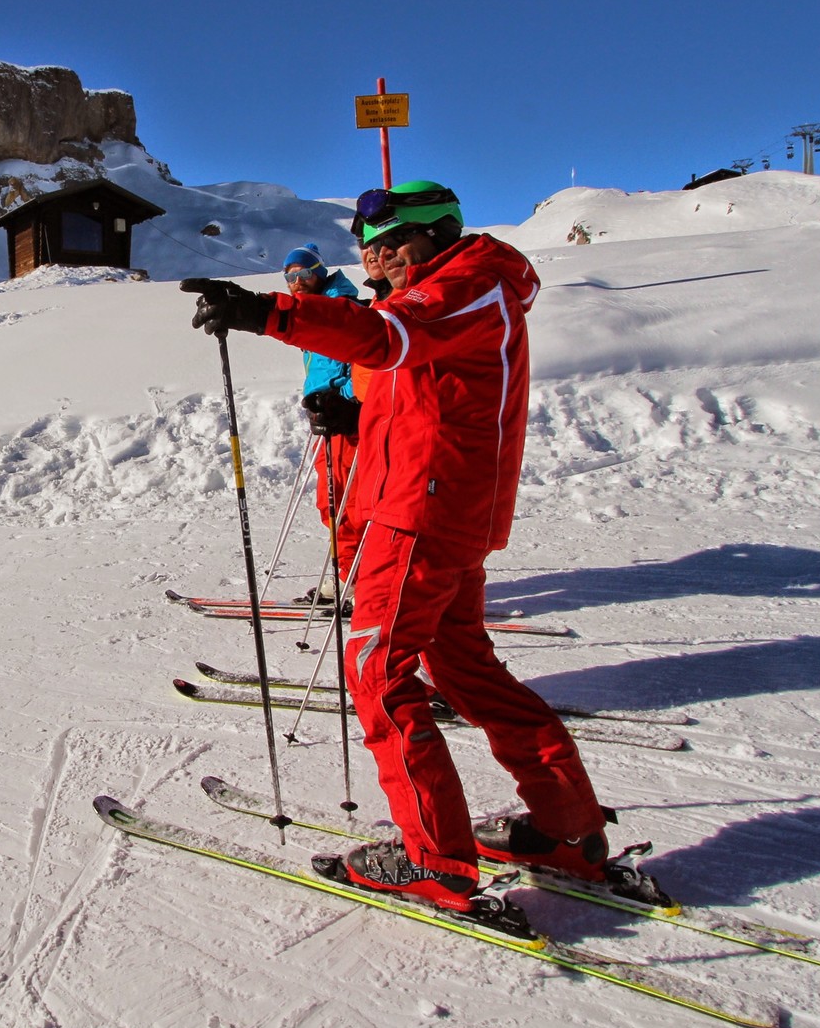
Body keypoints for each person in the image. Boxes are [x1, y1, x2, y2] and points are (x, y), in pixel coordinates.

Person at [184, 180, 612, 913]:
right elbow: (415, 378)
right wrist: (350, 410)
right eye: (368, 251)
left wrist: (267, 312)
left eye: (390, 247)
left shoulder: (469, 283)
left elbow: (392, 339)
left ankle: (435, 863)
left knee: (376, 669)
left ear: (438, 234)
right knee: (466, 670)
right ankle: (566, 834)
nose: (378, 264)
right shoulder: (456, 288)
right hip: (431, 505)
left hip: (423, 511)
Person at [281, 243, 362, 605]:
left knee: (339, 503)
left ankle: (352, 581)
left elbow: (362, 366)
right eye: (290, 277)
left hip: (345, 422)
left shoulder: (341, 309)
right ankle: (354, 574)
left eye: (304, 274)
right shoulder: (315, 311)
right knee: (335, 503)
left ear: (320, 272)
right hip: (328, 419)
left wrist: (341, 398)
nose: (297, 282)